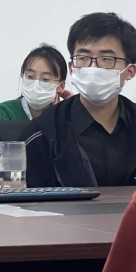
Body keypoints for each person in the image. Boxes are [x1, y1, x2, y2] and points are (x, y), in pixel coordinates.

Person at [25, 12, 136, 187]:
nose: (93, 67)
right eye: (83, 58)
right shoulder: (43, 132)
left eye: (107, 59)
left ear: (130, 71)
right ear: (72, 68)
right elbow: (26, 200)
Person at [0, 44, 69, 121]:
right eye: (30, 76)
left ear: (60, 86)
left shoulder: (66, 116)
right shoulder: (6, 111)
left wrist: (72, 109)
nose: (36, 85)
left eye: (45, 79)